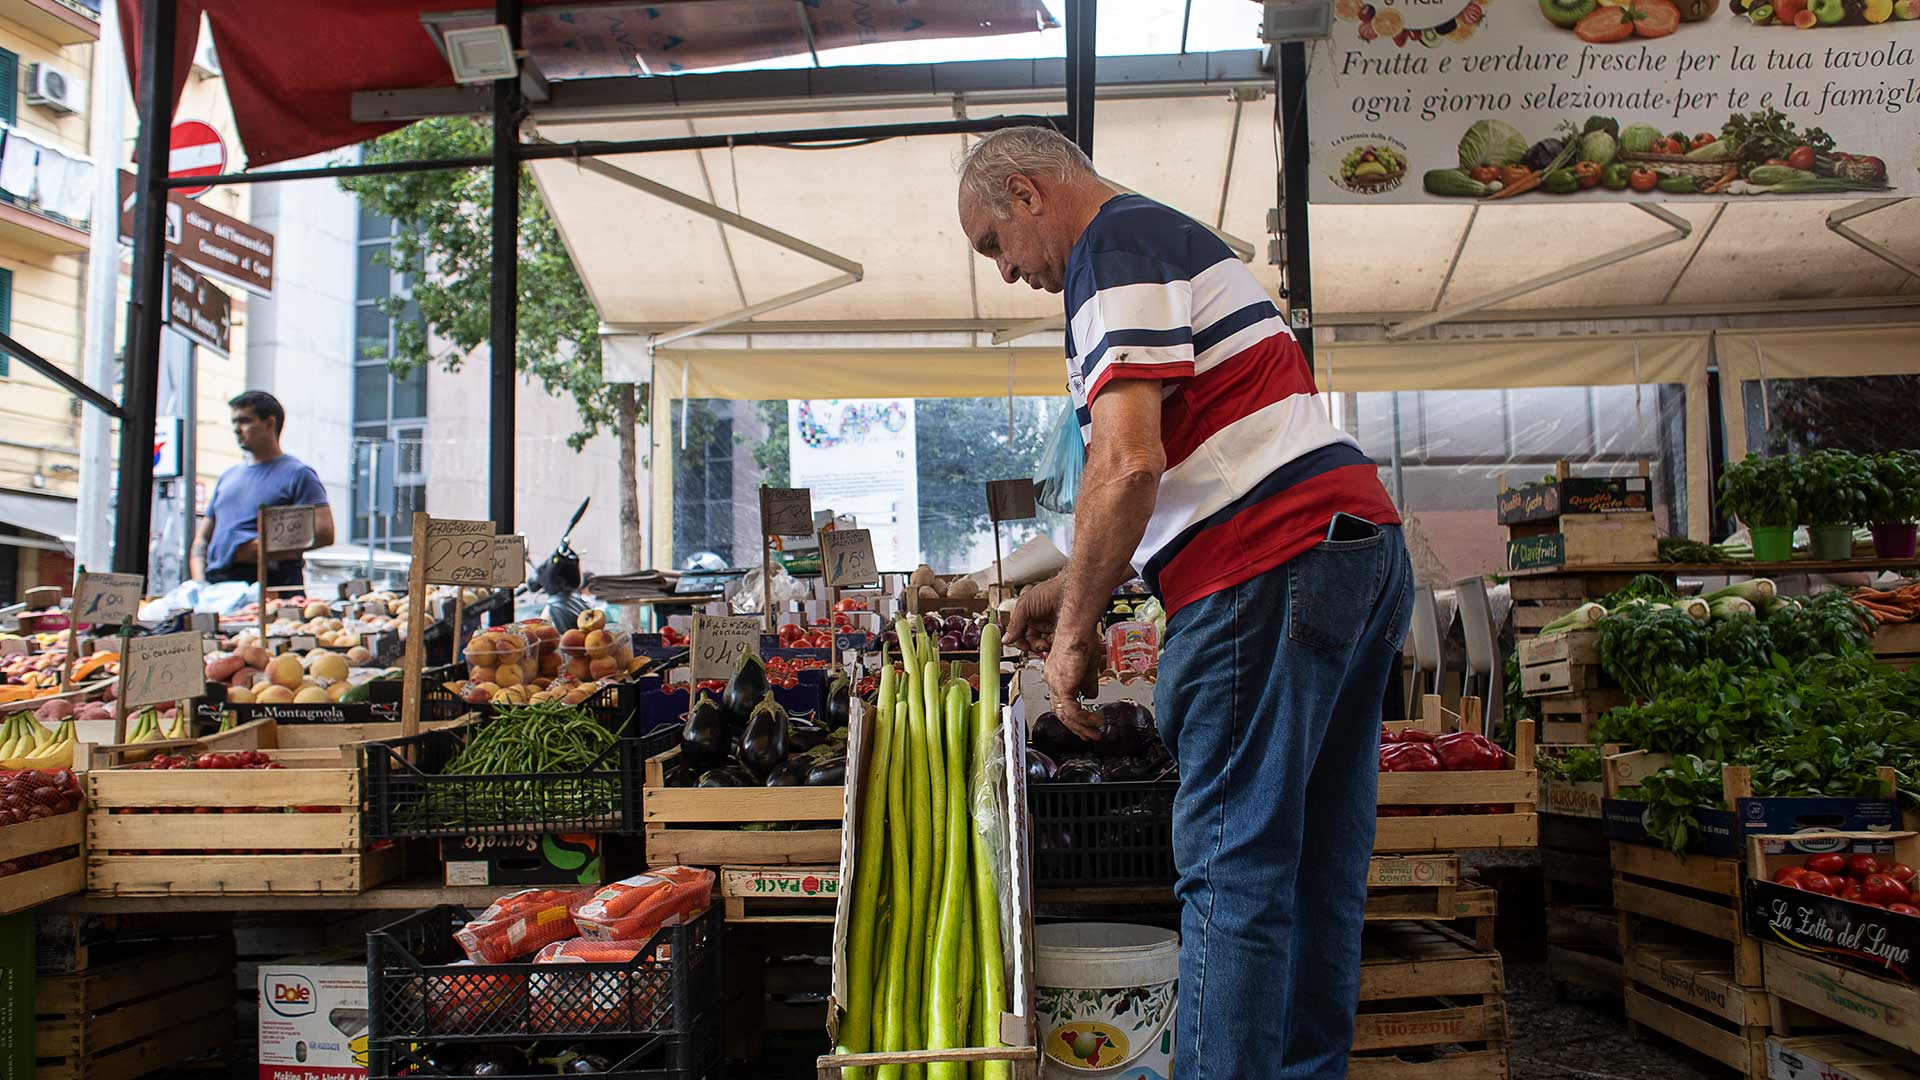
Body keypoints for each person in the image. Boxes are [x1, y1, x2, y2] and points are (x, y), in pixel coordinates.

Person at [958, 127, 1412, 1079]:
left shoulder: (1110, 251)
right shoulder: (1165, 241)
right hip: (1350, 552)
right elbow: (1192, 472)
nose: (1006, 274)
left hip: (1265, 570)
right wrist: (1062, 587)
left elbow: (1127, 464)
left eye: (993, 245)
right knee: (1318, 871)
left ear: (1029, 195)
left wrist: (1074, 633)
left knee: (1233, 876)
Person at [191, 390, 334, 588]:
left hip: (270, 582)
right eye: (234, 422)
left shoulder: (298, 474)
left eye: (244, 421)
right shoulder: (227, 477)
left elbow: (324, 532)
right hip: (216, 586)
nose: (236, 429)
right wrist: (199, 584)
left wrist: (262, 549)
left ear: (269, 423)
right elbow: (202, 539)